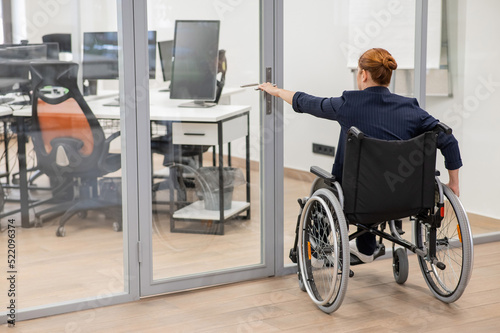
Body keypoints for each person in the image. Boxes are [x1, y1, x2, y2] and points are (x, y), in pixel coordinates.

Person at [258, 48, 462, 264]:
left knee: (328, 185)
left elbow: (308, 102)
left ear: (363, 74)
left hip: (359, 200)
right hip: (406, 199)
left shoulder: (348, 104)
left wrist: (277, 92)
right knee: (376, 178)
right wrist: (454, 184)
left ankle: (319, 251)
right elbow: (448, 140)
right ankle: (366, 247)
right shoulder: (411, 109)